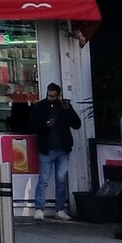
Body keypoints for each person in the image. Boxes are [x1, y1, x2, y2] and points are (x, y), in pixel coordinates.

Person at [30, 83, 81, 221]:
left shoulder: (64, 107)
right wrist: (45, 126)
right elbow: (32, 125)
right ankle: (40, 208)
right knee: (44, 180)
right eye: (48, 95)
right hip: (47, 148)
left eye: (53, 95)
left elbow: (77, 124)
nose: (50, 98)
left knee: (61, 180)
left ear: (58, 95)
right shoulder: (40, 107)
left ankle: (59, 209)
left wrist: (69, 110)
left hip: (62, 149)